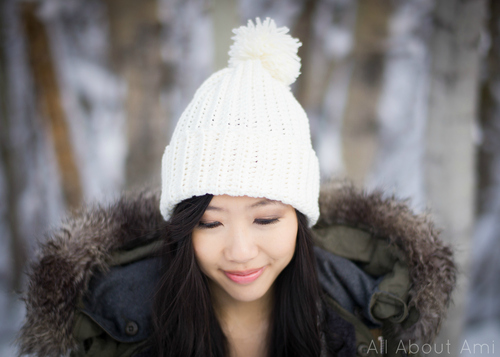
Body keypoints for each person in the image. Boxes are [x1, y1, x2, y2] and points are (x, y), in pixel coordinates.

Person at [17, 18, 456, 357]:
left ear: (300, 218)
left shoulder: (373, 314)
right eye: (210, 223)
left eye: (265, 218)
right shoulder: (104, 326)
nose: (241, 251)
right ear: (181, 226)